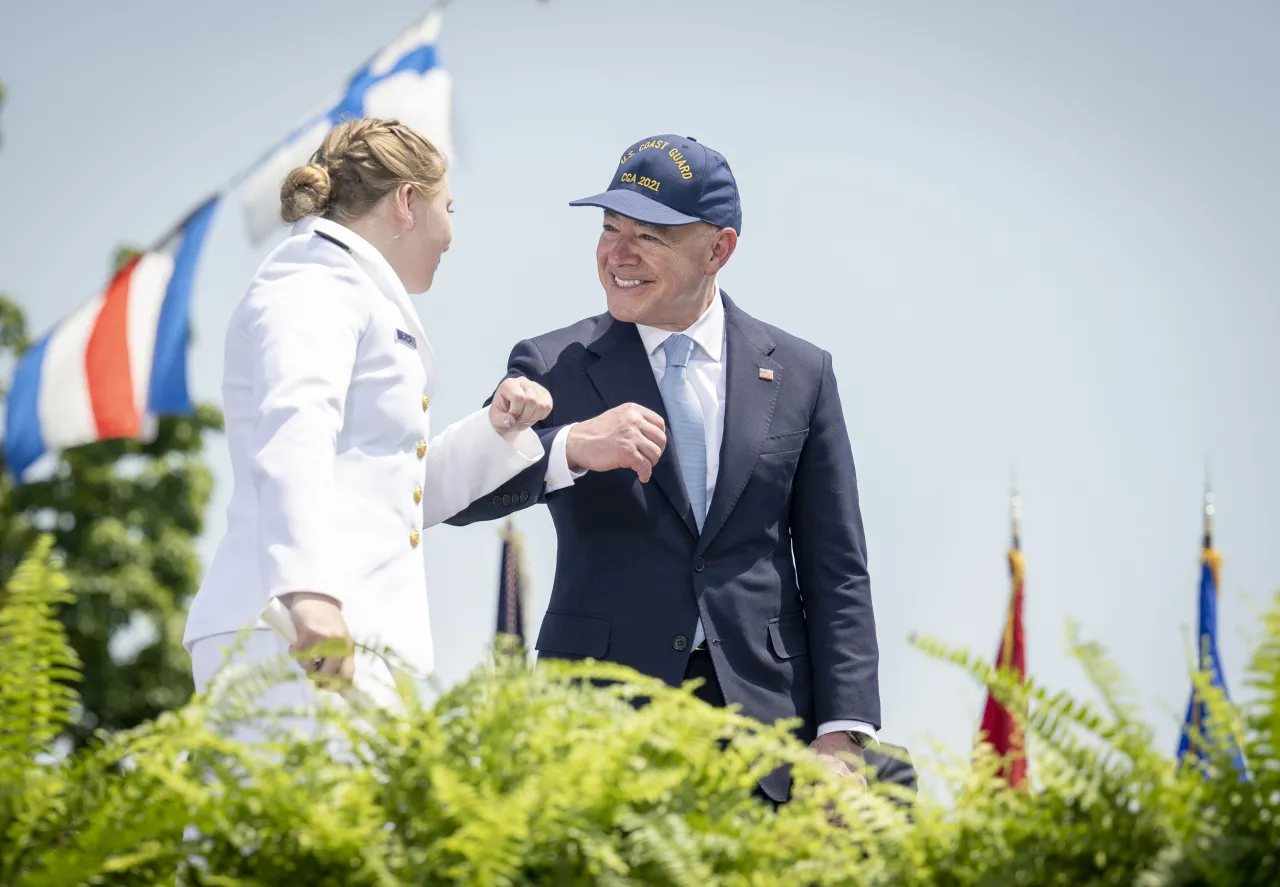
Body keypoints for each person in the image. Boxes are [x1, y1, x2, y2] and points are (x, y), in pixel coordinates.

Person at [448, 134, 913, 804]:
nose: (619, 254)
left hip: (770, 735)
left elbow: (837, 566)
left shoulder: (804, 374)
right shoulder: (554, 365)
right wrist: (568, 445)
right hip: (597, 726)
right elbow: (464, 492)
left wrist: (841, 734)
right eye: (610, 229)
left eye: (650, 235)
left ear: (718, 249)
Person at [182, 118, 553, 728]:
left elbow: (391, 492)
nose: (452, 233)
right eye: (448, 207)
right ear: (407, 202)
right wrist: (310, 593)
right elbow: (293, 432)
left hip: (340, 632)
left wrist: (496, 430)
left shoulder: (347, 286)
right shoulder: (313, 280)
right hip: (294, 630)